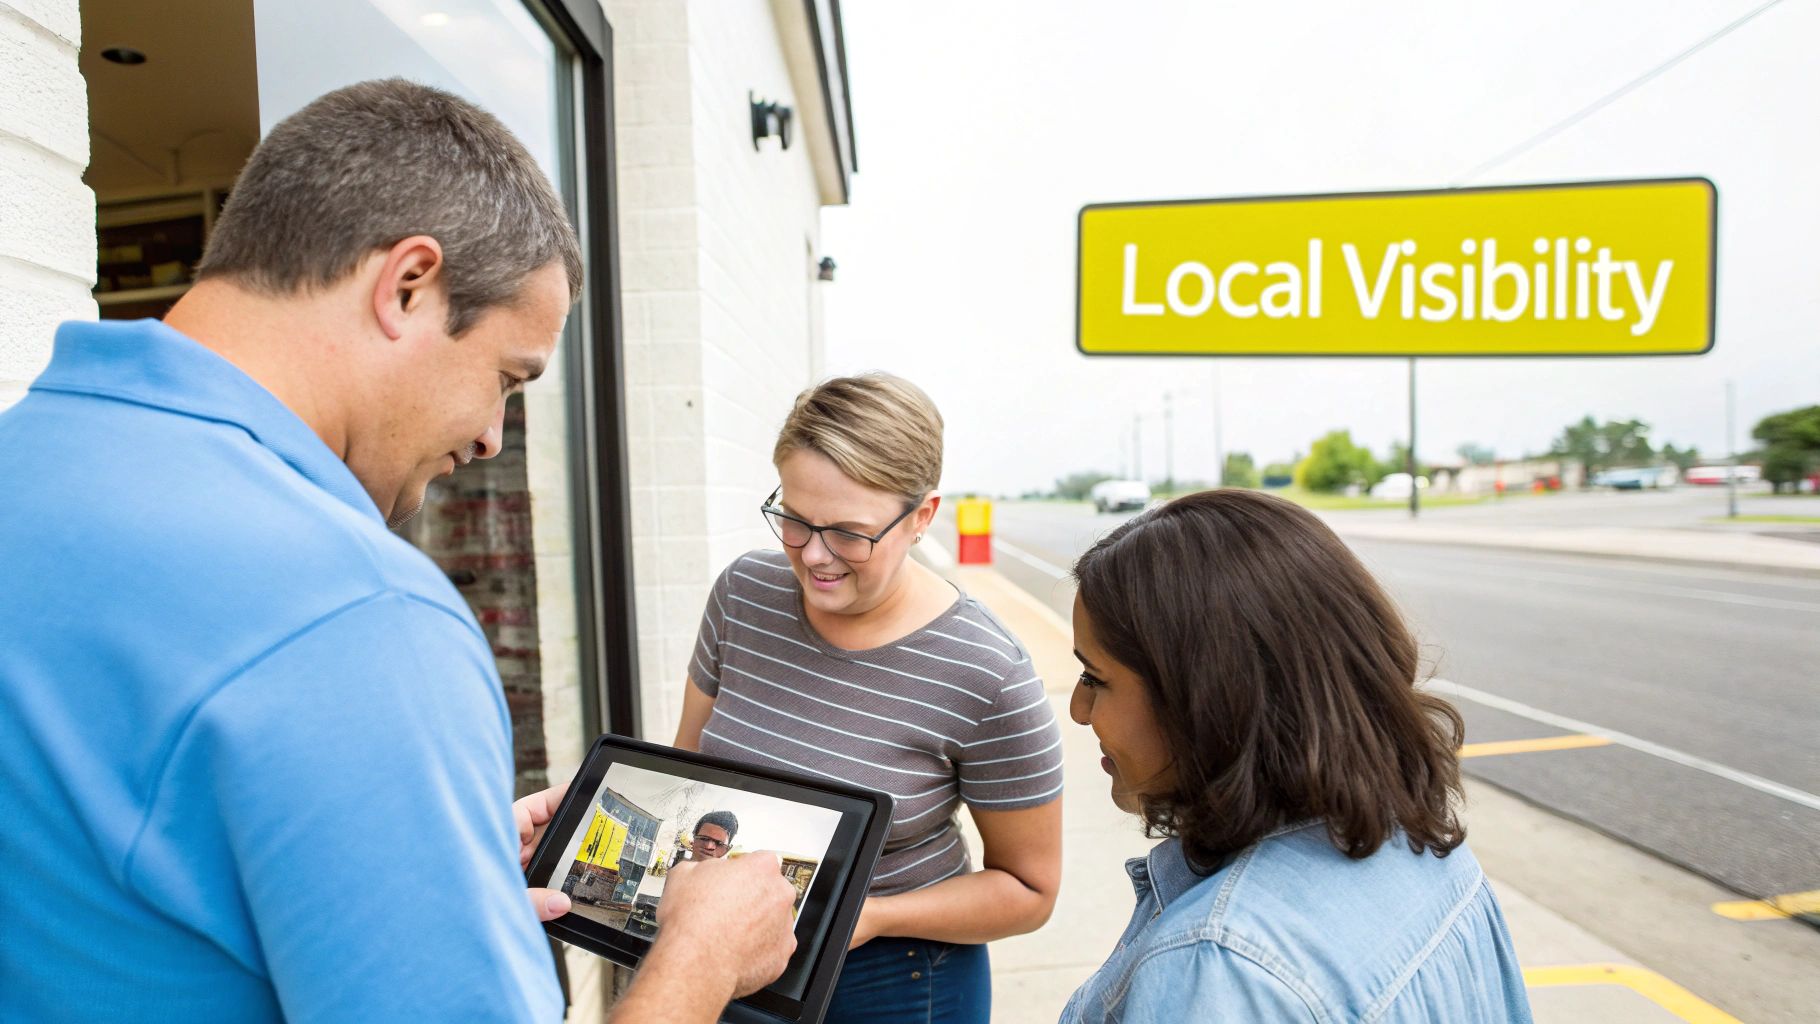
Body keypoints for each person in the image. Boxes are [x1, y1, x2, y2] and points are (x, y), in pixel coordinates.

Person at [0, 78, 795, 1023]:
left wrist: (412, 857)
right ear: (408, 286)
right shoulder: (358, 612)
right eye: (507, 376)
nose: (494, 437)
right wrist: (699, 959)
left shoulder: (30, 462)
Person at [674, 374, 1065, 1024]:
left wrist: (870, 915)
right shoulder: (743, 595)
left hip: (894, 979)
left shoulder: (986, 671)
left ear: (922, 517)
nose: (815, 556)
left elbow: (1030, 891)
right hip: (729, 953)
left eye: (850, 534)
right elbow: (689, 769)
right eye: (794, 521)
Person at [1058, 490, 1533, 1022]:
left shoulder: (1220, 968)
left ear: (1210, 698)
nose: (1078, 710)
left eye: (1094, 678)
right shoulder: (1430, 855)